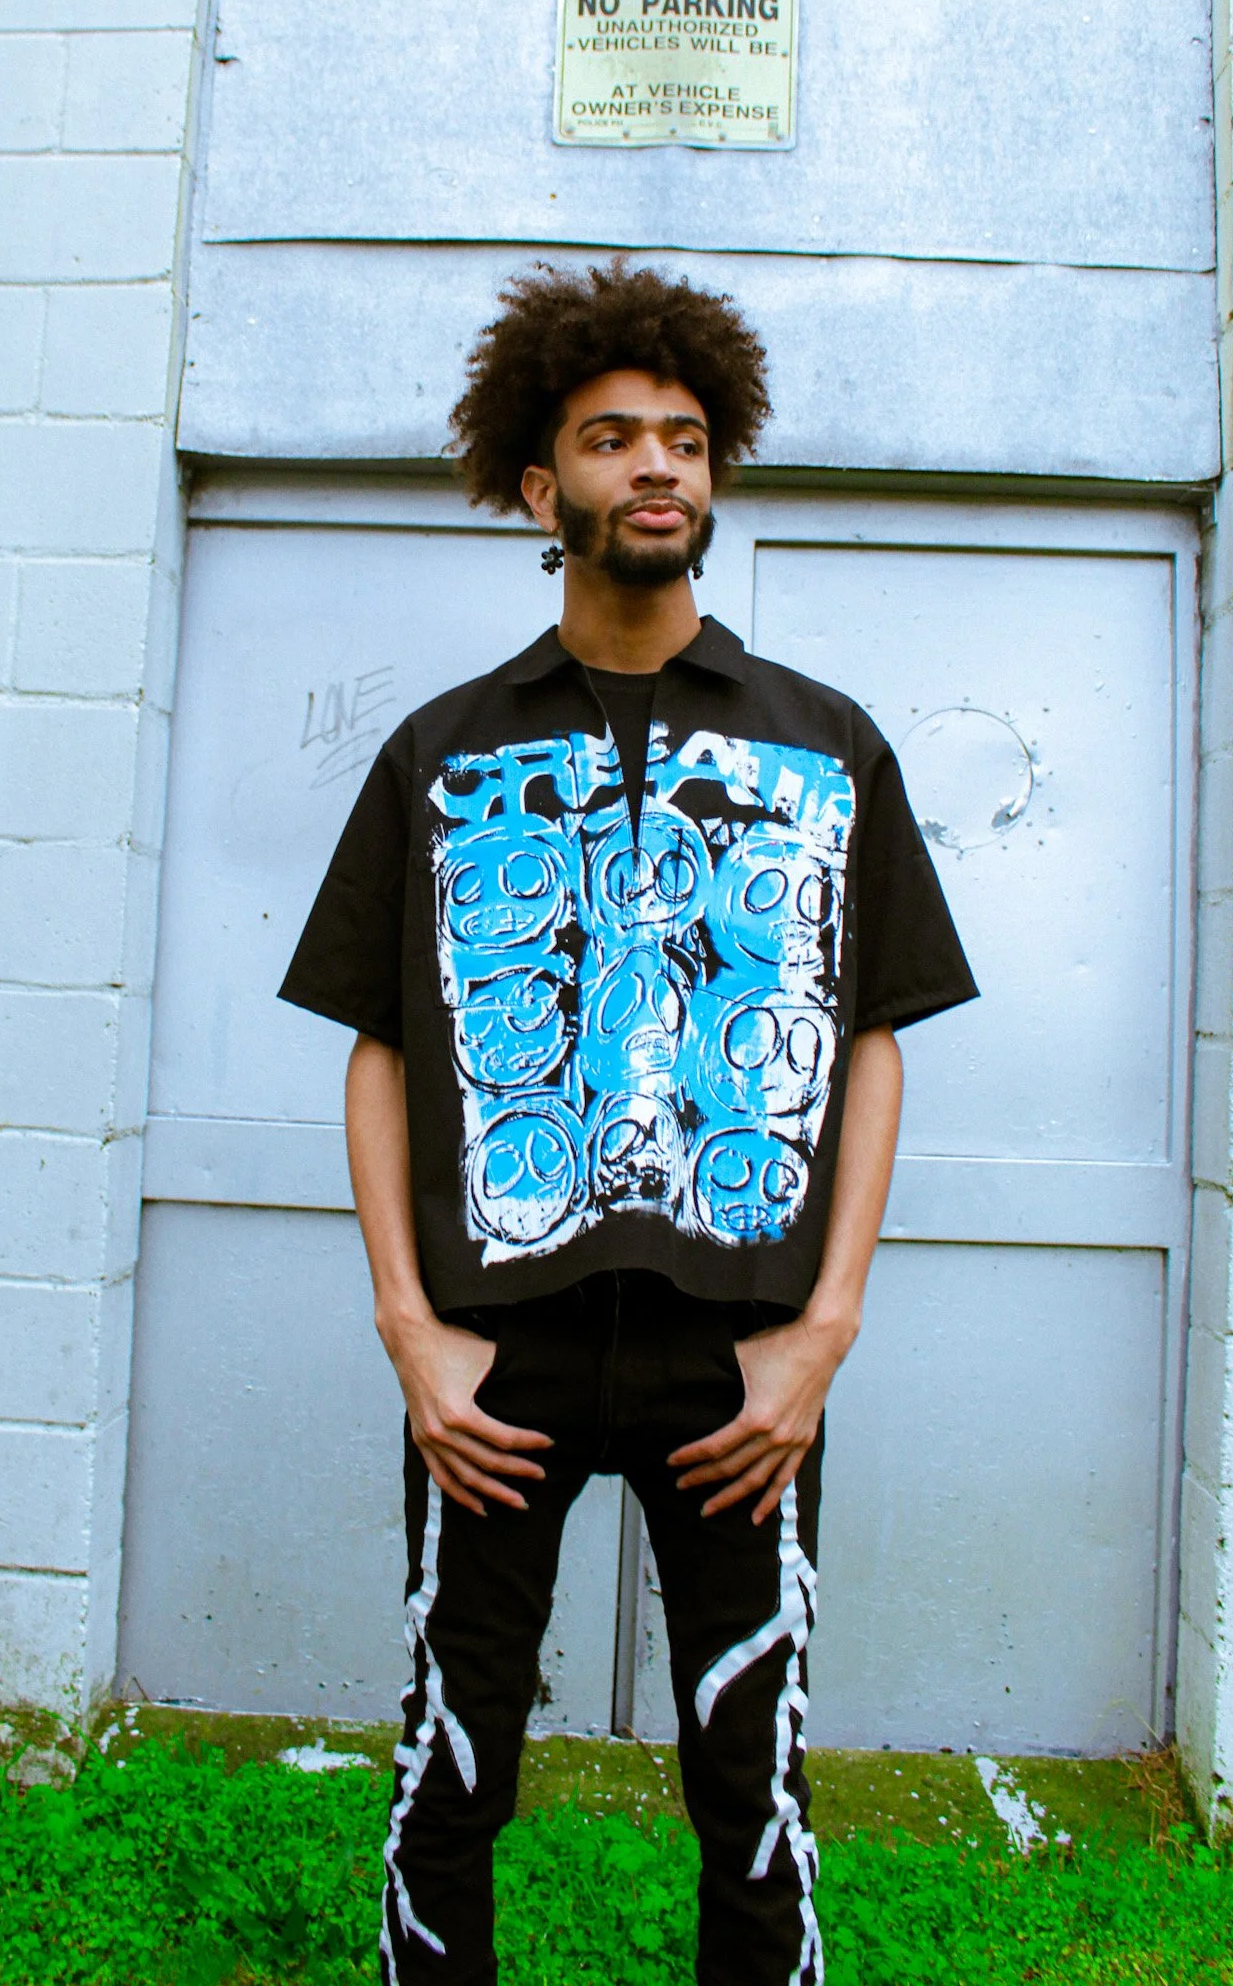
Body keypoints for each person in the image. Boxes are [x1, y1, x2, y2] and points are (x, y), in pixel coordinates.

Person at [279, 259, 978, 1986]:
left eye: (683, 438)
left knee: (756, 1797)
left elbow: (876, 1036)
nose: (656, 466)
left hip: (741, 1361)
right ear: (543, 488)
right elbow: (377, 1043)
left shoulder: (828, 749)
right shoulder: (440, 757)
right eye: (610, 440)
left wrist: (824, 1332)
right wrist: (409, 1331)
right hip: (492, 1361)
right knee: (451, 1773)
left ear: (716, 472)